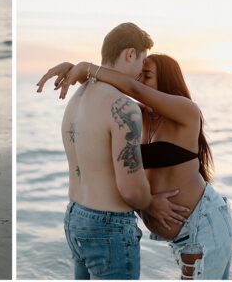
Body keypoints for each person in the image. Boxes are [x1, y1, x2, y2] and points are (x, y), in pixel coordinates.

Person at [39, 50, 232, 279]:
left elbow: (134, 89)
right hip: (181, 239)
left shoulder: (187, 111)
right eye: (138, 75)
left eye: (147, 75)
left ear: (167, 79)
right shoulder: (137, 115)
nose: (138, 80)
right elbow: (106, 98)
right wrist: (78, 73)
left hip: (203, 226)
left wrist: (86, 67)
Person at [35, 23, 189, 280]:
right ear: (130, 54)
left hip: (75, 217)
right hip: (108, 228)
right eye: (141, 61)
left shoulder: (78, 97)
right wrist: (152, 204)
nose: (140, 73)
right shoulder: (123, 108)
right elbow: (130, 189)